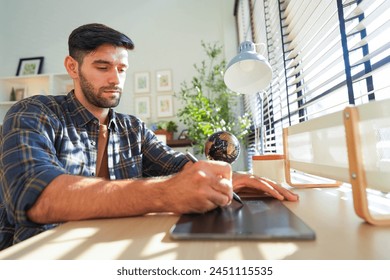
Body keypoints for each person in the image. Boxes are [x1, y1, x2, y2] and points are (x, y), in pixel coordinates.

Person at [0, 23, 298, 250]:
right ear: (72, 67)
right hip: (42, 256)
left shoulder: (133, 129)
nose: (115, 78)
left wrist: (226, 178)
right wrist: (166, 192)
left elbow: (177, 166)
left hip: (115, 250)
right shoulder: (33, 112)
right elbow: (35, 197)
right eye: (102, 67)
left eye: (122, 69)